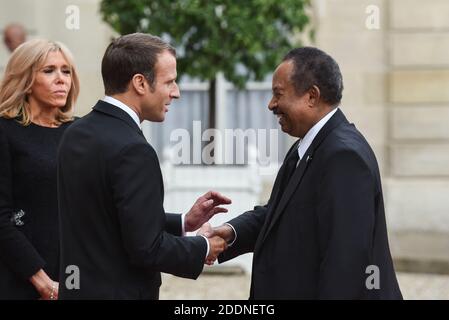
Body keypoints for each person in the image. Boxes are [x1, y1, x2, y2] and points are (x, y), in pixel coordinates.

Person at [200, 47, 402, 299]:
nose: (271, 104)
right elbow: (278, 213)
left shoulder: (343, 156)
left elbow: (345, 261)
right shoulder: (307, 145)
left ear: (312, 96)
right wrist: (231, 232)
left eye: (278, 94)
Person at [57, 33, 230, 300]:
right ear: (139, 82)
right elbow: (146, 249)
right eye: (170, 82)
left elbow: (107, 219)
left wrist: (183, 222)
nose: (176, 92)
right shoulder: (133, 149)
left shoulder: (75, 132)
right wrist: (204, 246)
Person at [0, 39, 80, 300]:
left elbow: (105, 206)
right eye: (49, 70)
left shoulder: (80, 132)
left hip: (76, 279)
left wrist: (180, 225)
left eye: (66, 71)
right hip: (21, 281)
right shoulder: (5, 130)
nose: (61, 79)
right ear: (25, 79)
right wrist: (42, 281)